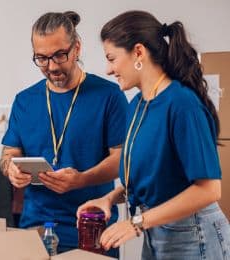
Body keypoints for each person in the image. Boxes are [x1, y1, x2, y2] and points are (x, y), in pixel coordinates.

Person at [77, 10, 230, 259]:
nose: (108, 69)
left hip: (194, 234)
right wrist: (108, 198)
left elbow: (209, 190)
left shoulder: (181, 104)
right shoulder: (136, 105)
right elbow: (153, 179)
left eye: (111, 58)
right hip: (156, 233)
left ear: (138, 52)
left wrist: (136, 223)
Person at [0, 11, 127, 254]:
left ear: (77, 48)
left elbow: (121, 159)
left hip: (92, 229)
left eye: (59, 55)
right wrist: (11, 170)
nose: (52, 66)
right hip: (36, 229)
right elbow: (9, 153)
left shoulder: (109, 96)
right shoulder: (24, 101)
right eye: (42, 58)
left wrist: (82, 179)